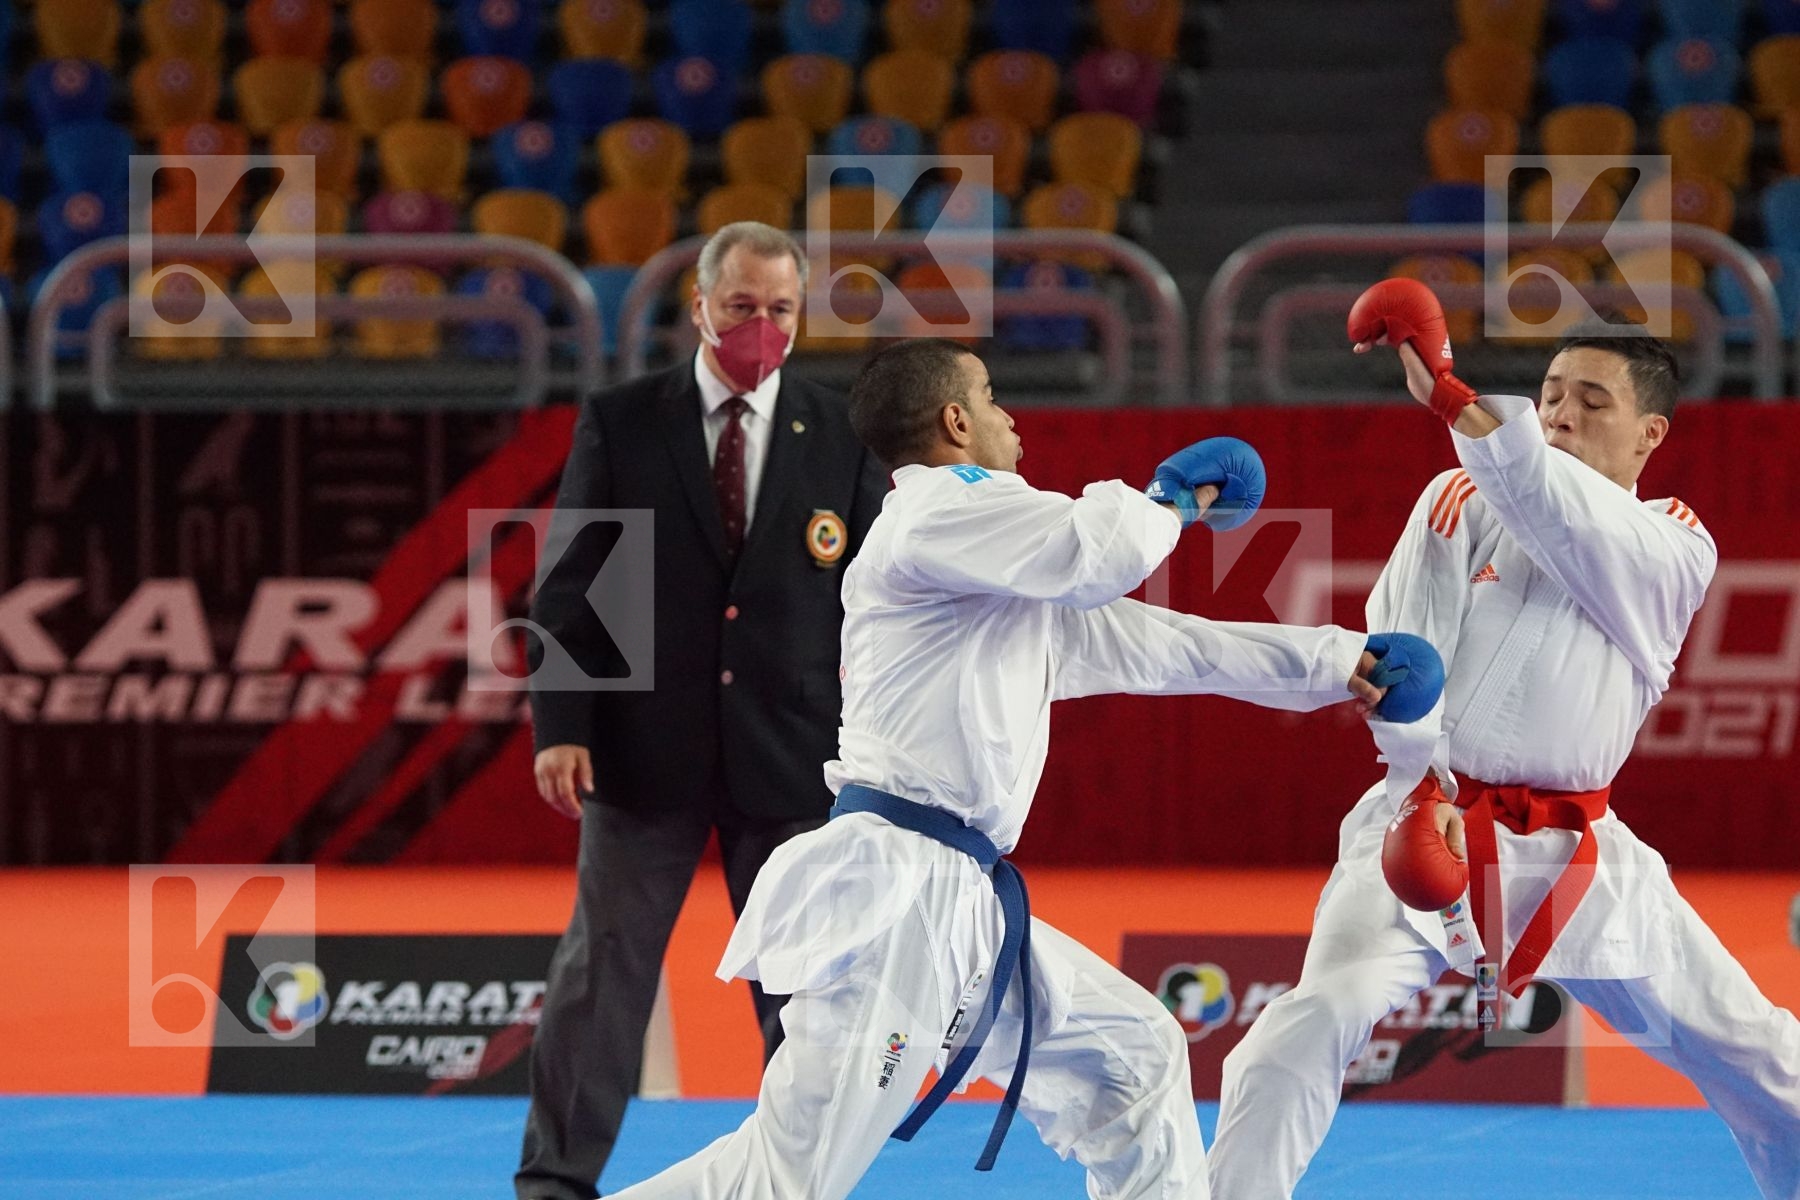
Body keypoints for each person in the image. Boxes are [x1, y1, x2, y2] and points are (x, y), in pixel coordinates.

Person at [605, 337, 1443, 1200]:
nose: (1011, 417)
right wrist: (1173, 496)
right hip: (900, 898)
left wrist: (1339, 661)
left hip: (964, 900)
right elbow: (1095, 550)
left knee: (1133, 1060)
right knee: (789, 1176)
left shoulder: (993, 579)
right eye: (993, 397)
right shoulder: (941, 511)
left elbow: (1160, 646)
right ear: (955, 422)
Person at [1208, 296, 1800, 1199]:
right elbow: (1403, 662)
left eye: (1591, 401)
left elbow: (1566, 513)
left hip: (1579, 855)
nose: (1560, 411)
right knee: (1304, 1026)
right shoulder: (1456, 494)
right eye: (1552, 391)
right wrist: (1420, 778)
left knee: (1760, 1060)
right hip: (1425, 825)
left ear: (1650, 434)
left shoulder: (1674, 542)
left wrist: (1453, 398)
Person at [517, 222, 890, 1200]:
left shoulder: (843, 431)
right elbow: (568, 589)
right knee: (600, 981)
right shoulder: (623, 420)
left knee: (803, 993)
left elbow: (883, 604)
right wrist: (562, 724)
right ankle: (554, 1183)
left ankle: (802, 1181)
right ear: (699, 308)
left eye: (779, 310)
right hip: (644, 751)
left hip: (794, 756)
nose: (760, 327)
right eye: (740, 308)